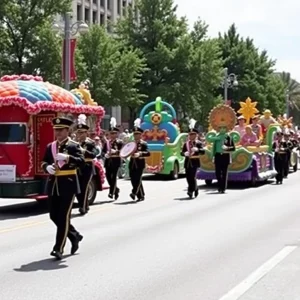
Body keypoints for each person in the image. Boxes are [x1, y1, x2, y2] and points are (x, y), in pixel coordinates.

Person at [41, 117, 85, 260]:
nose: (58, 133)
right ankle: (74, 235)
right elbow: (44, 161)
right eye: (56, 130)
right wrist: (46, 167)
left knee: (63, 216)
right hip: (53, 184)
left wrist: (68, 158)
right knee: (53, 215)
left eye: (60, 130)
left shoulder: (74, 146)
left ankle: (58, 248)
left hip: (68, 183)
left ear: (68, 130)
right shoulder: (50, 146)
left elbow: (82, 162)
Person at [76, 114, 98, 215]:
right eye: (79, 132)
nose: (80, 134)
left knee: (84, 187)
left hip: (87, 167)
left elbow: (94, 154)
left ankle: (83, 206)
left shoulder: (90, 143)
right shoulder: (74, 143)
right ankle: (83, 204)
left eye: (82, 133)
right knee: (77, 187)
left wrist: (84, 151)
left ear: (86, 133)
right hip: (77, 167)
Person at [180, 120, 205, 198]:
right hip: (187, 162)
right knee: (188, 177)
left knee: (193, 176)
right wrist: (184, 153)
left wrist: (197, 150)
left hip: (195, 162)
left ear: (196, 135)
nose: (191, 136)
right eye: (190, 135)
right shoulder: (186, 144)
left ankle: (190, 191)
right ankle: (195, 188)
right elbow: (182, 152)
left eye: (193, 135)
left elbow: (203, 151)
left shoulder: (198, 143)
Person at [102, 118, 123, 200]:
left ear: (117, 134)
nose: (113, 135)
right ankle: (116, 189)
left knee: (114, 177)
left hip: (116, 161)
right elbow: (103, 151)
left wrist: (116, 151)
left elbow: (122, 151)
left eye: (114, 133)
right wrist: (105, 154)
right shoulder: (107, 142)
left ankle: (111, 192)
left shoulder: (119, 142)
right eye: (111, 133)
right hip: (108, 161)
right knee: (108, 176)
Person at [129, 119, 150, 202]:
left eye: (137, 134)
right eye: (135, 134)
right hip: (132, 163)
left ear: (141, 135)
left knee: (137, 179)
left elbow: (148, 153)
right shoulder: (131, 143)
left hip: (140, 163)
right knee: (133, 179)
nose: (136, 136)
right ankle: (141, 195)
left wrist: (140, 153)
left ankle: (134, 193)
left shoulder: (143, 143)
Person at [211, 123, 235, 193]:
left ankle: (223, 188)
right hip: (218, 156)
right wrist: (212, 156)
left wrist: (227, 148)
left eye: (223, 128)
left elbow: (233, 148)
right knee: (217, 173)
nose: (222, 129)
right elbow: (210, 140)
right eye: (220, 128)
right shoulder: (217, 136)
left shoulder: (229, 137)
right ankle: (219, 186)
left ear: (226, 129)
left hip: (225, 156)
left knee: (224, 173)